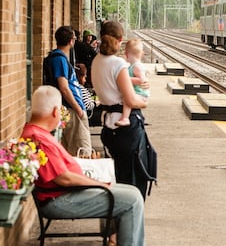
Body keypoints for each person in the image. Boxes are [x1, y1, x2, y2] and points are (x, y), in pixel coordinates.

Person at [23, 86, 159, 246]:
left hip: (63, 194)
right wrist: (98, 183)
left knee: (128, 191)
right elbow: (64, 178)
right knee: (132, 198)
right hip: (60, 200)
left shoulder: (35, 132)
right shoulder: (40, 139)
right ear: (55, 112)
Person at [91, 20, 157, 198]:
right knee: (134, 183)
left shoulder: (96, 62)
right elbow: (131, 100)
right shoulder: (118, 65)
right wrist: (144, 102)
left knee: (119, 177)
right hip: (126, 128)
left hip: (109, 125)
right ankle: (130, 220)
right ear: (120, 40)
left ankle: (118, 222)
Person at [45, 26, 93, 157]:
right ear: (71, 41)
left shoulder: (59, 57)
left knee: (70, 150)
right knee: (82, 149)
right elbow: (64, 87)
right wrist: (78, 109)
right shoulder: (59, 59)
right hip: (71, 108)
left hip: (70, 107)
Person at [116, 39, 150, 128]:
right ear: (141, 54)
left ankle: (125, 118)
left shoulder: (136, 66)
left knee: (128, 100)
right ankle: (125, 117)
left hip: (140, 94)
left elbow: (141, 80)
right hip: (138, 93)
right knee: (127, 99)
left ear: (126, 54)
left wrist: (127, 79)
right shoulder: (133, 66)